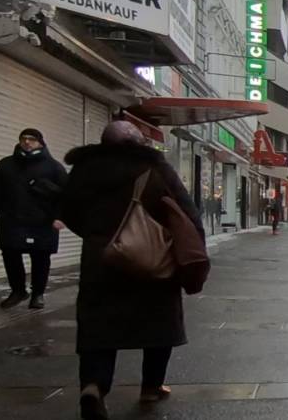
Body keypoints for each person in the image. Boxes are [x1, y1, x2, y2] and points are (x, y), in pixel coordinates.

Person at [59, 121, 203, 418]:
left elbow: (67, 210)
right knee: (158, 323)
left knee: (98, 327)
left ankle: (94, 386)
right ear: (140, 143)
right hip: (151, 259)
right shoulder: (154, 168)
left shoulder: (86, 169)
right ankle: (151, 387)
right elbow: (186, 211)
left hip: (102, 259)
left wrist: (99, 236)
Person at [0, 128, 69, 309]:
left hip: (42, 220)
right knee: (10, 254)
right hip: (12, 219)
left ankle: (38, 294)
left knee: (41, 257)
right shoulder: (5, 165)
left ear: (41, 143)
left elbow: (66, 196)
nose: (27, 142)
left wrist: (62, 217)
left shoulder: (54, 167)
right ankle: (18, 291)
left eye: (32, 139)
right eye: (24, 139)